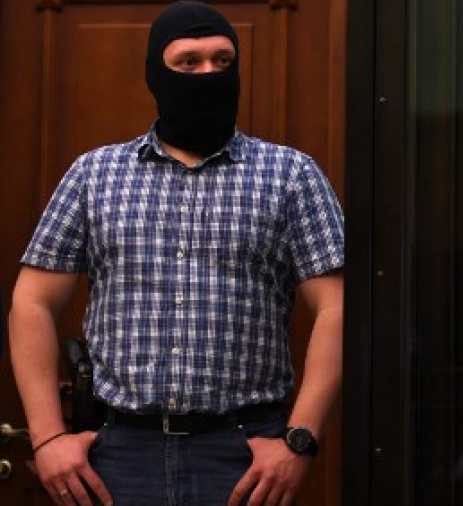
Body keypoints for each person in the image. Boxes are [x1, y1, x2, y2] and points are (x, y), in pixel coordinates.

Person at [8, 2, 344, 506]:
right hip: (116, 457)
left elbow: (338, 308)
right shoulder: (93, 175)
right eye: (188, 62)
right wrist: (48, 437)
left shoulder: (292, 176)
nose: (208, 74)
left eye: (222, 61)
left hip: (247, 459)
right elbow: (31, 302)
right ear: (155, 73)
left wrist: (300, 440)